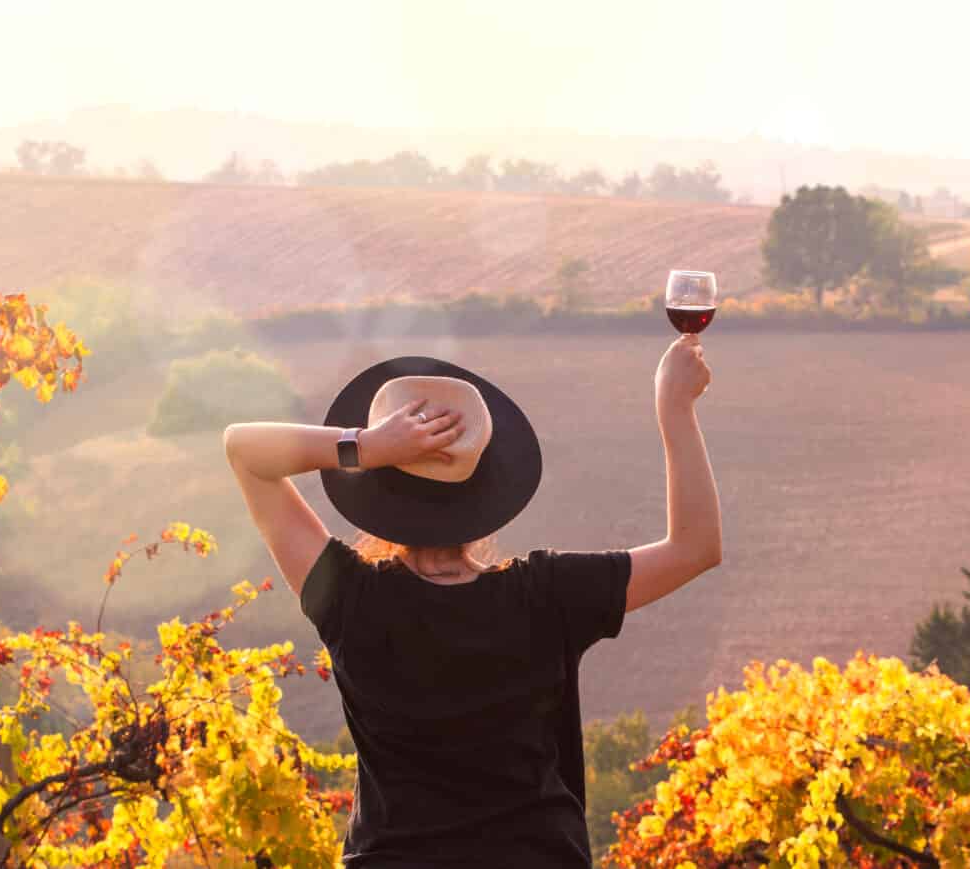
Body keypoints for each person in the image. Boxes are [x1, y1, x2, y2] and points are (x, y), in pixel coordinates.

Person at [222, 334, 720, 866]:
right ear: (490, 483)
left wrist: (367, 446)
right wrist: (674, 406)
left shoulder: (348, 596)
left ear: (378, 493)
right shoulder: (546, 594)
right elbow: (695, 547)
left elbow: (244, 450)